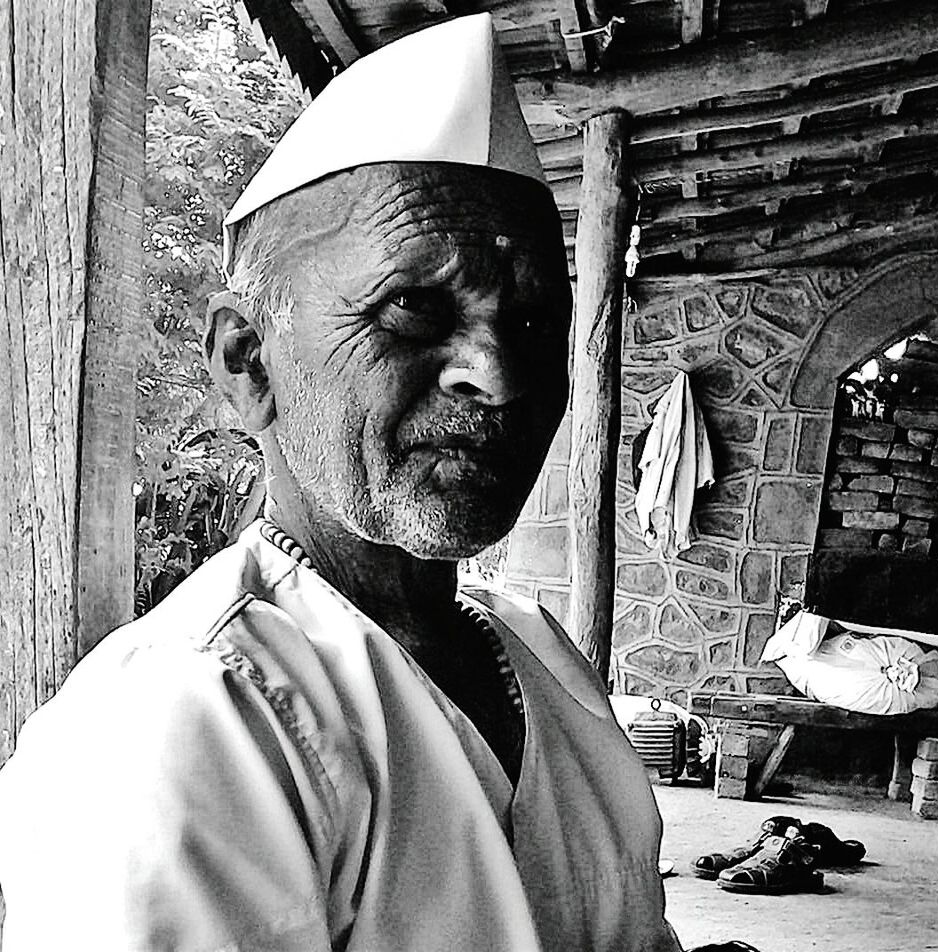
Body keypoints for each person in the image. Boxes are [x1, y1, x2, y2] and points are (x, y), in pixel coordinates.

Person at [0, 13, 757, 952]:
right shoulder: (183, 717)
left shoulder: (538, 656)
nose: (497, 371)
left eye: (529, 323)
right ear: (250, 363)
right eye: (413, 307)